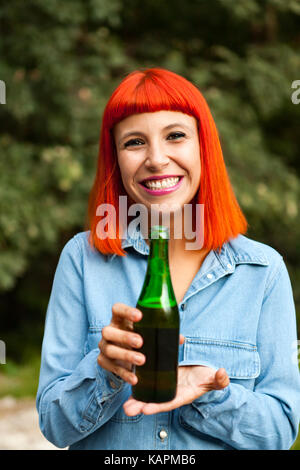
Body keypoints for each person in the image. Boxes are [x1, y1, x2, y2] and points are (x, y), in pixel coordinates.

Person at [36, 68, 300, 450]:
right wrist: (105, 373)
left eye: (175, 136)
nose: (157, 159)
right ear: (116, 161)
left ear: (203, 146)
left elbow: (279, 431)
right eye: (134, 142)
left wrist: (209, 393)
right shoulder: (82, 260)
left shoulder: (263, 271)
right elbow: (53, 425)